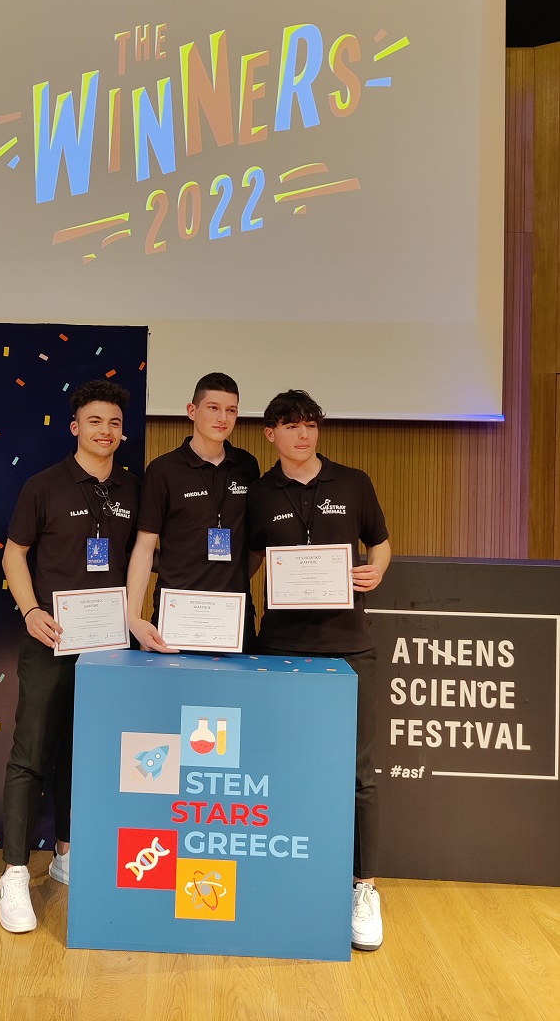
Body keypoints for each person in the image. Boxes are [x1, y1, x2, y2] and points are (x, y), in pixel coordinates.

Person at [247, 389, 391, 951]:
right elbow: (247, 560)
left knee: (358, 772)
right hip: (280, 646)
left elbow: (380, 545)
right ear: (271, 435)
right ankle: (288, 878)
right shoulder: (258, 494)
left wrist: (375, 572)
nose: (303, 435)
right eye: (291, 426)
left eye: (310, 425)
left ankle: (363, 887)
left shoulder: (353, 482)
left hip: (350, 645)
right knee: (281, 766)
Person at [0, 380, 140, 932]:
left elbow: (141, 559)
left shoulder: (134, 487)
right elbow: (15, 555)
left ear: (122, 431)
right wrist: (31, 611)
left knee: (86, 755)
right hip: (51, 641)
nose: (105, 431)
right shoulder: (44, 486)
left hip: (110, 648)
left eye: (114, 423)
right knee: (30, 753)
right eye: (95, 421)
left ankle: (66, 854)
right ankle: (13, 874)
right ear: (75, 426)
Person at [127, 373, 259, 652]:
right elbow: (144, 549)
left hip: (233, 616)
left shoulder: (247, 466)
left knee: (234, 696)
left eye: (231, 410)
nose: (222, 417)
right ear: (192, 411)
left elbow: (255, 543)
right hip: (177, 615)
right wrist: (132, 617)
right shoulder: (163, 470)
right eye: (213, 407)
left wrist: (235, 579)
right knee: (173, 696)